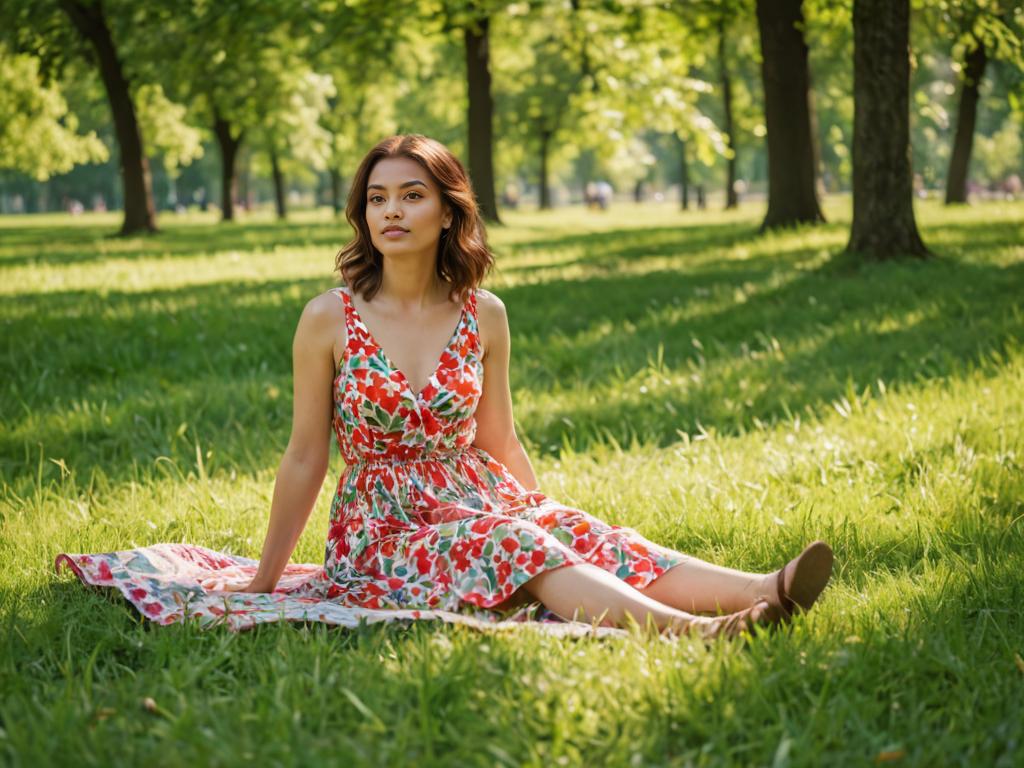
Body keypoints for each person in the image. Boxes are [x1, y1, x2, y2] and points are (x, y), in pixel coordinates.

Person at [55, 134, 833, 640]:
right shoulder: (328, 319)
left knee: (572, 530)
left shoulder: (484, 315)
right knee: (513, 541)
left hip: (474, 495)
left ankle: (768, 587)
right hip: (382, 535)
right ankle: (695, 633)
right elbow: (303, 458)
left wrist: (545, 511)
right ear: (363, 215)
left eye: (412, 195)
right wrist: (264, 579)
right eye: (377, 198)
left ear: (447, 209)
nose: (391, 211)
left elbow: (497, 439)